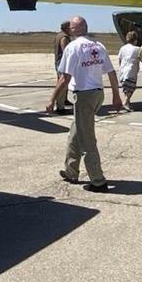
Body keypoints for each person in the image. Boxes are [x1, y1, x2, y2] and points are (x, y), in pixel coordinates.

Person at [46, 16, 123, 192]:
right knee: (75, 132)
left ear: (73, 30)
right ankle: (71, 170)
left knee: (87, 138)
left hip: (84, 96)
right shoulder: (98, 45)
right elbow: (111, 72)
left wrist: (52, 99)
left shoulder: (73, 47)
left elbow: (65, 77)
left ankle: (98, 181)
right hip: (97, 94)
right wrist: (116, 96)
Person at [117, 31, 141, 111]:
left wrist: (121, 68)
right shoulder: (137, 49)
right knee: (131, 88)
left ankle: (128, 104)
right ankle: (125, 102)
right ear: (135, 40)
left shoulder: (123, 48)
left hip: (123, 71)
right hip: (131, 71)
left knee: (126, 89)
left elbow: (120, 59)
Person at [53, 20, 72, 112]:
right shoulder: (64, 37)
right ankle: (60, 107)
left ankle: (64, 100)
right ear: (67, 28)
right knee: (63, 83)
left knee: (64, 82)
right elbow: (66, 51)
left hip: (58, 61)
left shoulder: (59, 35)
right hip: (62, 62)